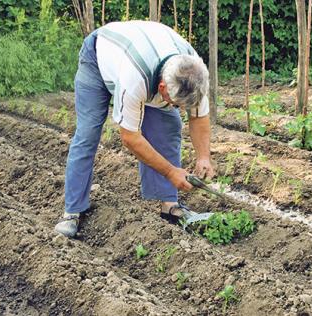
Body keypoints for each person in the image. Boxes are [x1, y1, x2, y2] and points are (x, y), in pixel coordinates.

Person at [55, 20, 215, 238]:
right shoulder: (135, 77)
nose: (177, 108)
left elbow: (199, 117)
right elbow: (130, 137)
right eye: (175, 103)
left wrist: (203, 157)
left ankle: (170, 206)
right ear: (161, 88)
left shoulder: (194, 73)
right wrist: (170, 171)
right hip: (99, 59)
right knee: (88, 134)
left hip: (143, 55)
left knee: (169, 126)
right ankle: (72, 212)